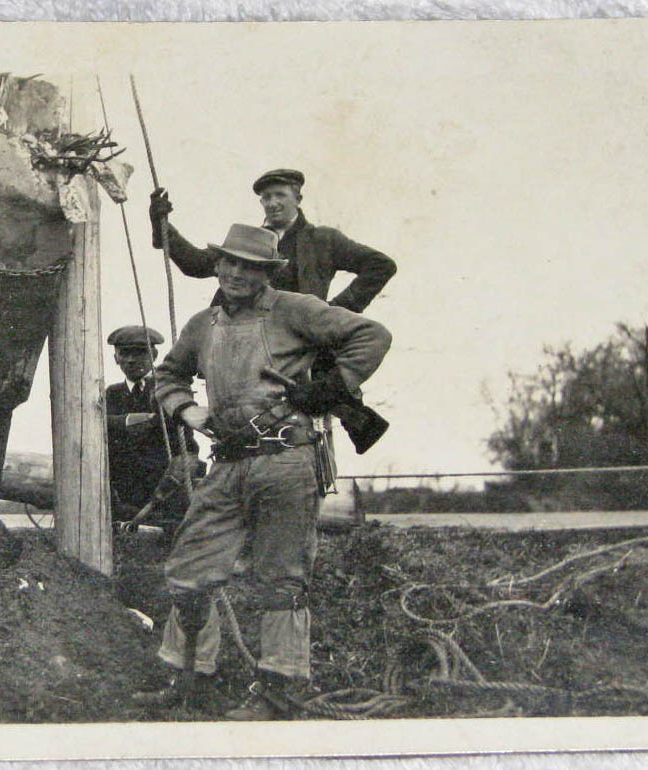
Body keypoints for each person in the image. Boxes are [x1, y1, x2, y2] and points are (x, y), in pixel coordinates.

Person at [135, 224, 391, 720]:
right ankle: (191, 680)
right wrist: (192, 413)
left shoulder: (295, 309)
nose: (233, 272)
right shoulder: (201, 324)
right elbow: (168, 375)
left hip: (287, 462)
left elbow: (371, 335)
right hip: (227, 465)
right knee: (188, 575)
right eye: (227, 262)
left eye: (247, 265)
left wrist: (330, 386)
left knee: (282, 581)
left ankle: (280, 693)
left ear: (266, 273)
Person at [149, 168, 397, 312]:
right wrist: (162, 225)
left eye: (280, 195)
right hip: (242, 336)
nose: (273, 203)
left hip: (300, 342)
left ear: (298, 199)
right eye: (266, 197)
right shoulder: (245, 242)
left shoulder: (323, 239)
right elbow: (196, 264)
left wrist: (335, 311)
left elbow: (380, 266)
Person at [104, 325, 200, 534]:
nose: (131, 360)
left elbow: (186, 444)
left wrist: (118, 423)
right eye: (125, 353)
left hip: (164, 481)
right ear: (116, 358)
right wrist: (129, 421)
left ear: (153, 355)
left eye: (139, 352)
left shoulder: (168, 390)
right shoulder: (111, 394)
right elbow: (99, 427)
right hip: (124, 482)